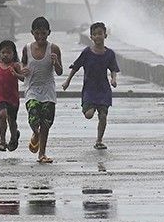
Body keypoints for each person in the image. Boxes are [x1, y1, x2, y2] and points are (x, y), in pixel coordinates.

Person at [62, 22, 119, 150]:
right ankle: (89, 107)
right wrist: (67, 81)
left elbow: (113, 68)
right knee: (89, 114)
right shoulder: (87, 52)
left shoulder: (109, 54)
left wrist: (114, 79)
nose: (98, 36)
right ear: (91, 37)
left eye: (100, 33)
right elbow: (76, 67)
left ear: (105, 35)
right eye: (95, 34)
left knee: (103, 115)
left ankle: (99, 140)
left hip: (103, 88)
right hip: (89, 88)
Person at [20, 16, 62, 163]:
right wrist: (22, 70)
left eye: (43, 33)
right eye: (37, 33)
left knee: (46, 123)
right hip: (32, 89)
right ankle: (35, 133)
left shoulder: (54, 49)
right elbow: (23, 65)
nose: (40, 37)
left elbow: (59, 71)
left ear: (48, 32)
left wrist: (55, 62)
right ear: (32, 33)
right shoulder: (27, 48)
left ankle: (42, 154)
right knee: (33, 115)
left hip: (48, 91)